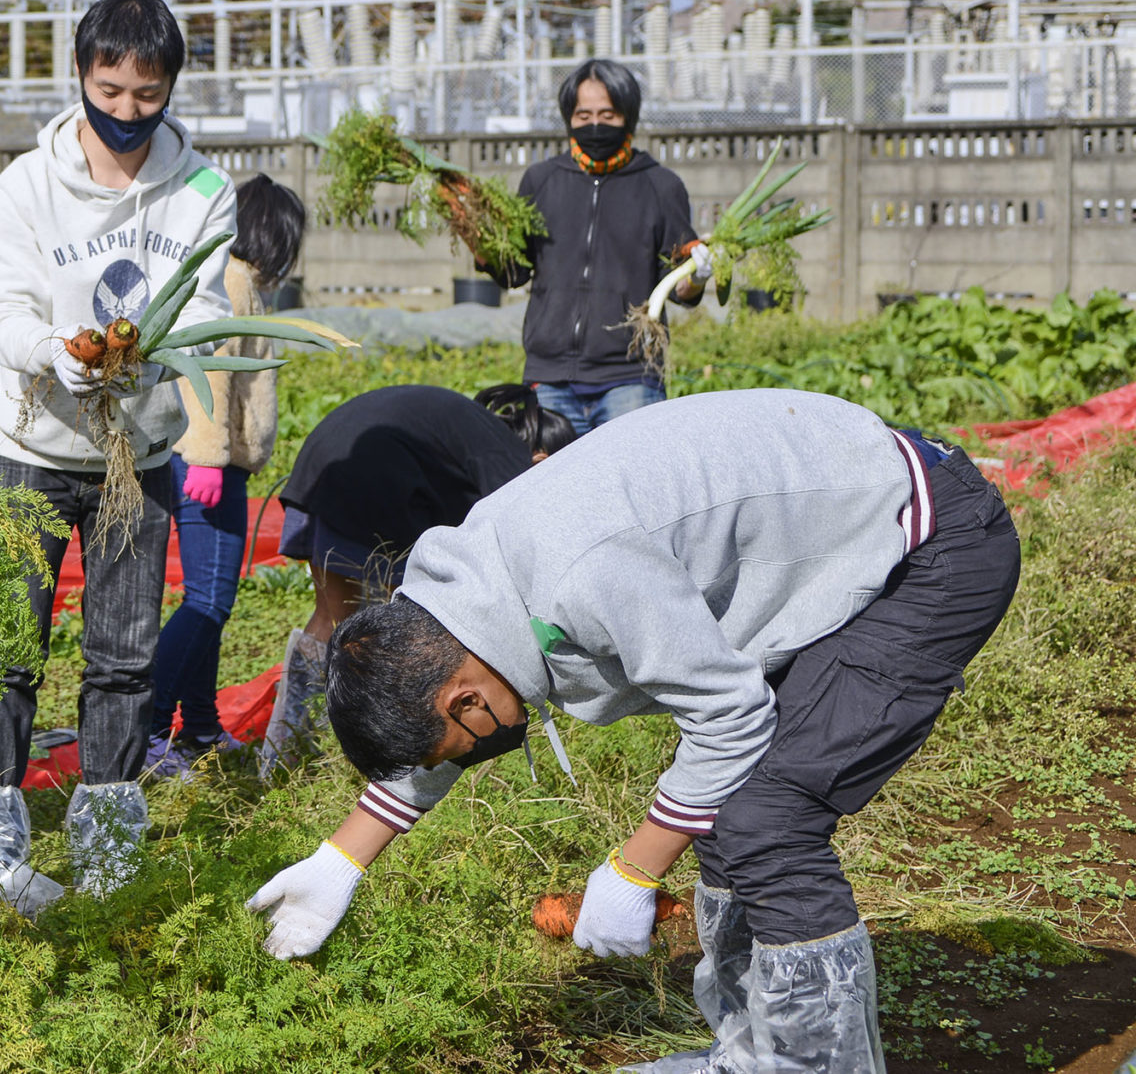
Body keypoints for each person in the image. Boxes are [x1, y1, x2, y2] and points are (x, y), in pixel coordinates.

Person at [246, 389, 1020, 1074]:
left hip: (926, 539)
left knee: (766, 819)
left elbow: (730, 713)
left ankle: (817, 1064)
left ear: (465, 699)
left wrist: (633, 869)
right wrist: (341, 860)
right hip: (831, 519)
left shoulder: (580, 572)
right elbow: (437, 728)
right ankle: (756, 1056)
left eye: (466, 748)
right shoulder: (448, 609)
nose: (476, 756)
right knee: (724, 807)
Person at [0, 0, 237, 918]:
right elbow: (2, 313)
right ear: (81, 76)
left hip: (133, 459)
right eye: (111, 88)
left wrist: (153, 353)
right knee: (4, 651)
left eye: (148, 95)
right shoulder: (27, 186)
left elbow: (211, 307)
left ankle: (107, 858)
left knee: (122, 657)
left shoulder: (200, 192)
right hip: (30, 444)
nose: (128, 111)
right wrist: (58, 354)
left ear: (170, 89)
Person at [256, 382, 574, 773]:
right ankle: (394, 745)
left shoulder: (476, 429)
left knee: (330, 619)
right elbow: (518, 559)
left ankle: (284, 752)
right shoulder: (512, 462)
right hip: (373, 476)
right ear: (543, 460)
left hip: (326, 461)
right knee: (414, 628)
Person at [146, 172, 305, 777]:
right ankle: (153, 730)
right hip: (205, 465)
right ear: (273, 234)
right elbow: (206, 368)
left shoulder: (238, 282)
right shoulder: (233, 282)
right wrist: (210, 455)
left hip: (217, 465)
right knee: (209, 602)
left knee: (209, 601)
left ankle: (202, 727)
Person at [482, 57, 704, 436]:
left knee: (634, 489)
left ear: (628, 118)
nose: (595, 124)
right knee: (555, 492)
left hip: (630, 380)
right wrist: (479, 239)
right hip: (549, 378)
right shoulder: (541, 181)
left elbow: (680, 287)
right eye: (583, 116)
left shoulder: (661, 186)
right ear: (569, 118)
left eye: (608, 114)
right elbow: (513, 273)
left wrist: (698, 276)